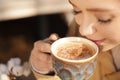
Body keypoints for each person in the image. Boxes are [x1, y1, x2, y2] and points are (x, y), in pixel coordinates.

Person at [29, 0, 120, 80]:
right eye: (76, 11)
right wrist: (45, 69)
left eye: (103, 19)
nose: (83, 30)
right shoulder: (78, 29)